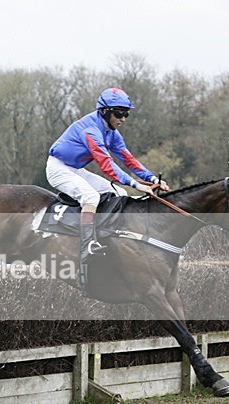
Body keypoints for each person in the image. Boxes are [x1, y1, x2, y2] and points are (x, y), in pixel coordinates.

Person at [46, 87, 169, 285]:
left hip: (75, 169)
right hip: (58, 169)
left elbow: (128, 160)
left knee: (118, 192)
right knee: (91, 197)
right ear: (105, 111)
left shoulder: (111, 132)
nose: (123, 118)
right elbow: (107, 165)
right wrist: (136, 185)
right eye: (119, 113)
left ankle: (109, 237)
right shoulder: (91, 131)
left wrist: (152, 179)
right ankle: (87, 247)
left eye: (126, 113)